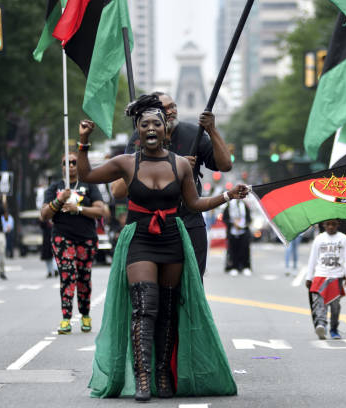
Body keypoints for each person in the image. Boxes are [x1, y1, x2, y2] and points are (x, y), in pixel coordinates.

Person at [77, 95, 246, 401]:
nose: (151, 128)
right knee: (145, 308)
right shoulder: (126, 162)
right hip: (141, 239)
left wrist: (228, 196)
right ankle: (142, 378)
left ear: (166, 131)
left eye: (157, 123)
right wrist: (84, 142)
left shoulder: (181, 164)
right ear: (138, 132)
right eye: (145, 124)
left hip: (172, 239)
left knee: (167, 311)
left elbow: (194, 203)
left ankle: (162, 374)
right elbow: (87, 176)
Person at [111, 91, 232, 281]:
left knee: (190, 287)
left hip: (189, 221)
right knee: (150, 293)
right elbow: (117, 190)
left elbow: (225, 165)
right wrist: (173, 164)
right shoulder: (139, 138)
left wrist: (212, 130)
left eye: (173, 106)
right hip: (150, 226)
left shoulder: (193, 133)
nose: (172, 111)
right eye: (165, 108)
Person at [40, 152, 104, 334]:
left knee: (84, 277)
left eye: (74, 162)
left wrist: (79, 208)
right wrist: (59, 200)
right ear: (61, 166)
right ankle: (66, 318)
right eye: (66, 163)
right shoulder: (55, 188)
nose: (70, 166)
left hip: (86, 238)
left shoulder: (89, 186)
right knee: (67, 275)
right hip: (62, 237)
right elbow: (44, 215)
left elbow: (101, 211)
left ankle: (85, 315)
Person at [306, 219, 346, 340]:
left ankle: (334, 329)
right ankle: (321, 325)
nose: (331, 227)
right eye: (328, 224)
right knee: (319, 304)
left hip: (336, 276)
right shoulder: (319, 239)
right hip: (321, 275)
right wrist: (309, 277)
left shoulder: (343, 239)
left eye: (333, 224)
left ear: (338, 224)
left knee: (335, 306)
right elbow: (312, 258)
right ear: (323, 225)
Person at [223, 199, 252, 276]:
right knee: (233, 250)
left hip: (243, 231)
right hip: (232, 231)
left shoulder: (244, 205)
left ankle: (246, 267)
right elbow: (225, 218)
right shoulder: (229, 205)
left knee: (245, 250)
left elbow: (249, 218)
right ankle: (234, 267)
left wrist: (244, 224)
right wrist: (233, 223)